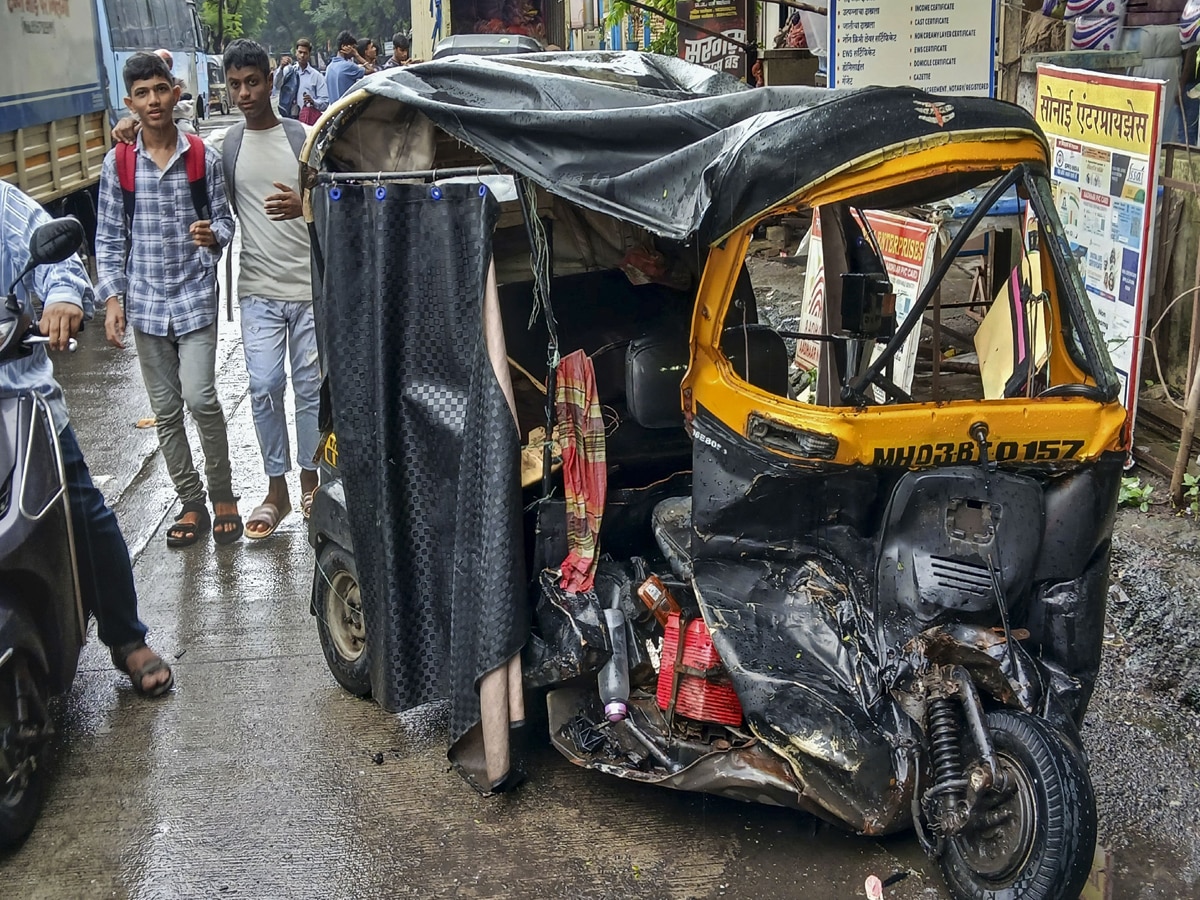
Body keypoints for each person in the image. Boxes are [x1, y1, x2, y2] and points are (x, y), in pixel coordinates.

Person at [113, 39, 321, 538]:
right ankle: (276, 489)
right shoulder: (225, 147)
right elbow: (172, 145)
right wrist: (126, 127)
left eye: (253, 82)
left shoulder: (306, 139)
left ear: (272, 80)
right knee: (265, 387)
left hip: (310, 291)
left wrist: (307, 207)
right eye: (235, 85)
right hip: (257, 290)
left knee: (311, 391)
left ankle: (311, 482)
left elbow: (343, 195)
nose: (245, 93)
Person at [0, 180, 174, 697]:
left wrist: (59, 299)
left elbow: (59, 260)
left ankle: (126, 637)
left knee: (85, 512)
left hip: (17, 400)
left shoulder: (2, 203)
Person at [95, 52, 242, 547]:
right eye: (142, 93)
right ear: (129, 101)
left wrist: (213, 236)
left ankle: (224, 496)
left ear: (176, 91)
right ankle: (192, 502)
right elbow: (110, 238)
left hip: (195, 295)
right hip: (146, 304)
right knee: (166, 411)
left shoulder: (203, 156)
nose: (153, 100)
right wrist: (113, 298)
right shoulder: (119, 162)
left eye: (160, 89)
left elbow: (226, 221)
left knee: (201, 397)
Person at [325, 30, 374, 101]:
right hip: (348, 109)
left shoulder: (329, 68)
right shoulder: (348, 66)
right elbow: (371, 70)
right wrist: (357, 55)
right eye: (353, 47)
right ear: (344, 46)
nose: (354, 50)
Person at [291, 38, 328, 124]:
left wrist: (313, 102)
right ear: (296, 52)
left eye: (305, 53)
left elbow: (325, 102)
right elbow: (276, 85)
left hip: (308, 121)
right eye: (300, 52)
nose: (302, 55)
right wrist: (281, 69)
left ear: (309, 54)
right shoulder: (289, 72)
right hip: (290, 120)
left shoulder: (317, 76)